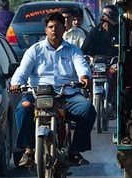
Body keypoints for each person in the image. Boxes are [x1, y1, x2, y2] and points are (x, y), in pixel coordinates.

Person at [9, 11, 96, 167]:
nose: (54, 30)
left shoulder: (73, 50)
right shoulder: (35, 50)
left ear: (64, 29)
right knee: (23, 108)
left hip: (67, 94)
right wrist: (16, 84)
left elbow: (82, 67)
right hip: (38, 94)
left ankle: (75, 151)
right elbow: (21, 72)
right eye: (50, 27)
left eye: (57, 27)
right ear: (45, 30)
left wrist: (84, 78)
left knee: (87, 109)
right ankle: (28, 150)